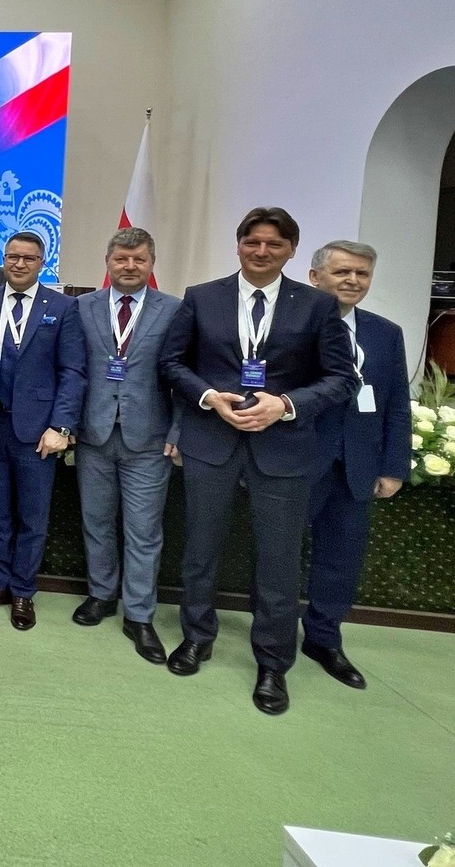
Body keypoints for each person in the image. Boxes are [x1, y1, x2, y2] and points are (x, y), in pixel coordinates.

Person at [160, 206, 357, 715]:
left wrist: (285, 405)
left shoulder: (317, 306)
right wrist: (209, 397)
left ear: (291, 250)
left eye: (274, 244)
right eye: (252, 242)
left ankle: (272, 664)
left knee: (278, 561)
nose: (262, 251)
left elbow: (342, 378)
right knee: (200, 550)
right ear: (239, 245)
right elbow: (172, 363)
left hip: (284, 449)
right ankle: (196, 637)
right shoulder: (203, 297)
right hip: (211, 441)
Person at [302, 240, 412, 689]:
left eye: (361, 274)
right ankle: (270, 634)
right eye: (342, 272)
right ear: (315, 277)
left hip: (359, 465)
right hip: (298, 462)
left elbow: (397, 404)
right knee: (277, 555)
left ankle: (324, 639)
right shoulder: (291, 327)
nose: (352, 280)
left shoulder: (386, 333)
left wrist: (394, 466)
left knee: (341, 558)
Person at [71, 228, 182, 664]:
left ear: (152, 263)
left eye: (139, 259)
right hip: (94, 434)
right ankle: (101, 594)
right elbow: (72, 369)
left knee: (143, 532)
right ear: (108, 262)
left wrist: (179, 431)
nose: (130, 266)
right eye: (121, 259)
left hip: (149, 440)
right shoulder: (82, 306)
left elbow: (184, 375)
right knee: (96, 522)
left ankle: (139, 615)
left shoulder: (174, 310)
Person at [0, 231, 85, 630]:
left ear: (42, 263)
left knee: (32, 516)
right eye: (12, 257)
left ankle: (22, 591)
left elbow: (72, 372)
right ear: (3, 259)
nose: (19, 264)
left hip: (38, 431)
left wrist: (61, 426)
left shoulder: (64, 307)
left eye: (29, 258)